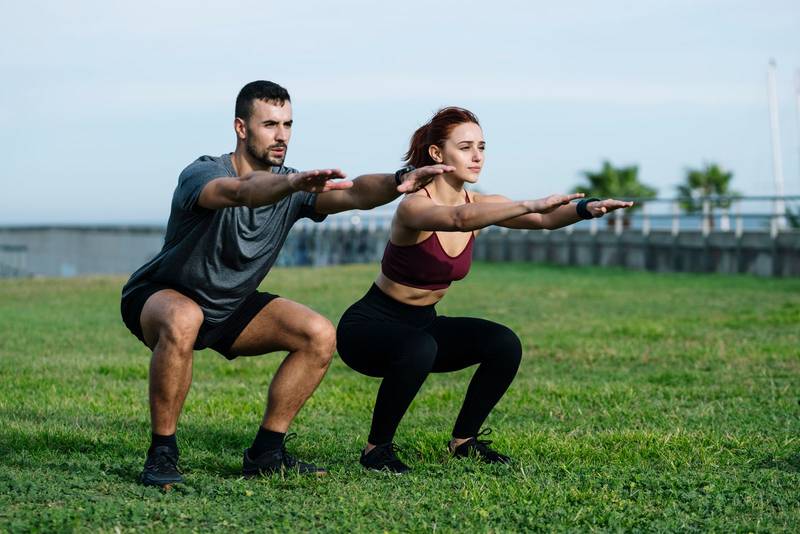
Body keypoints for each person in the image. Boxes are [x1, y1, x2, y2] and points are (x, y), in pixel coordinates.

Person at [120, 81, 451, 488]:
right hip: (161, 295)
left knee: (317, 333)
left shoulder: (296, 185)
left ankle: (266, 453)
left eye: (288, 124)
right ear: (241, 128)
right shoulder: (204, 172)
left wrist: (402, 178)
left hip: (230, 306)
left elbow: (354, 193)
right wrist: (291, 185)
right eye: (270, 124)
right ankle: (162, 453)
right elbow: (241, 192)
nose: (281, 135)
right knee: (185, 316)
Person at [336, 107, 633, 473]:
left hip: (422, 324)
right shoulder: (414, 206)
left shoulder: (481, 205)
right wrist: (524, 203)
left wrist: (586, 209)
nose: (477, 156)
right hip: (369, 328)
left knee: (502, 343)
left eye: (482, 146)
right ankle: (375, 449)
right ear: (437, 154)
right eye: (465, 147)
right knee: (420, 346)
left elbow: (543, 219)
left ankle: (464, 441)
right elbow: (458, 220)